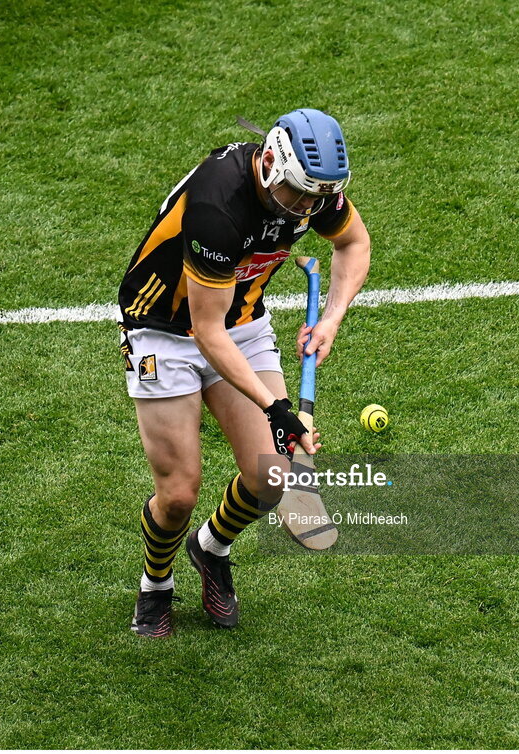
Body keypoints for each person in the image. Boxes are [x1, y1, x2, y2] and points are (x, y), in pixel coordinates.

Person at [117, 108, 371, 637]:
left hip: (241, 320)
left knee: (270, 478)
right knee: (179, 493)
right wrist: (276, 408)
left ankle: (209, 548)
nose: (306, 208)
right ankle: (156, 582)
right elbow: (206, 333)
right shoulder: (218, 205)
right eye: (298, 195)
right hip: (164, 329)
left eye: (316, 198)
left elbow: (353, 244)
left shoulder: (312, 191)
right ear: (272, 161)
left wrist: (330, 319)